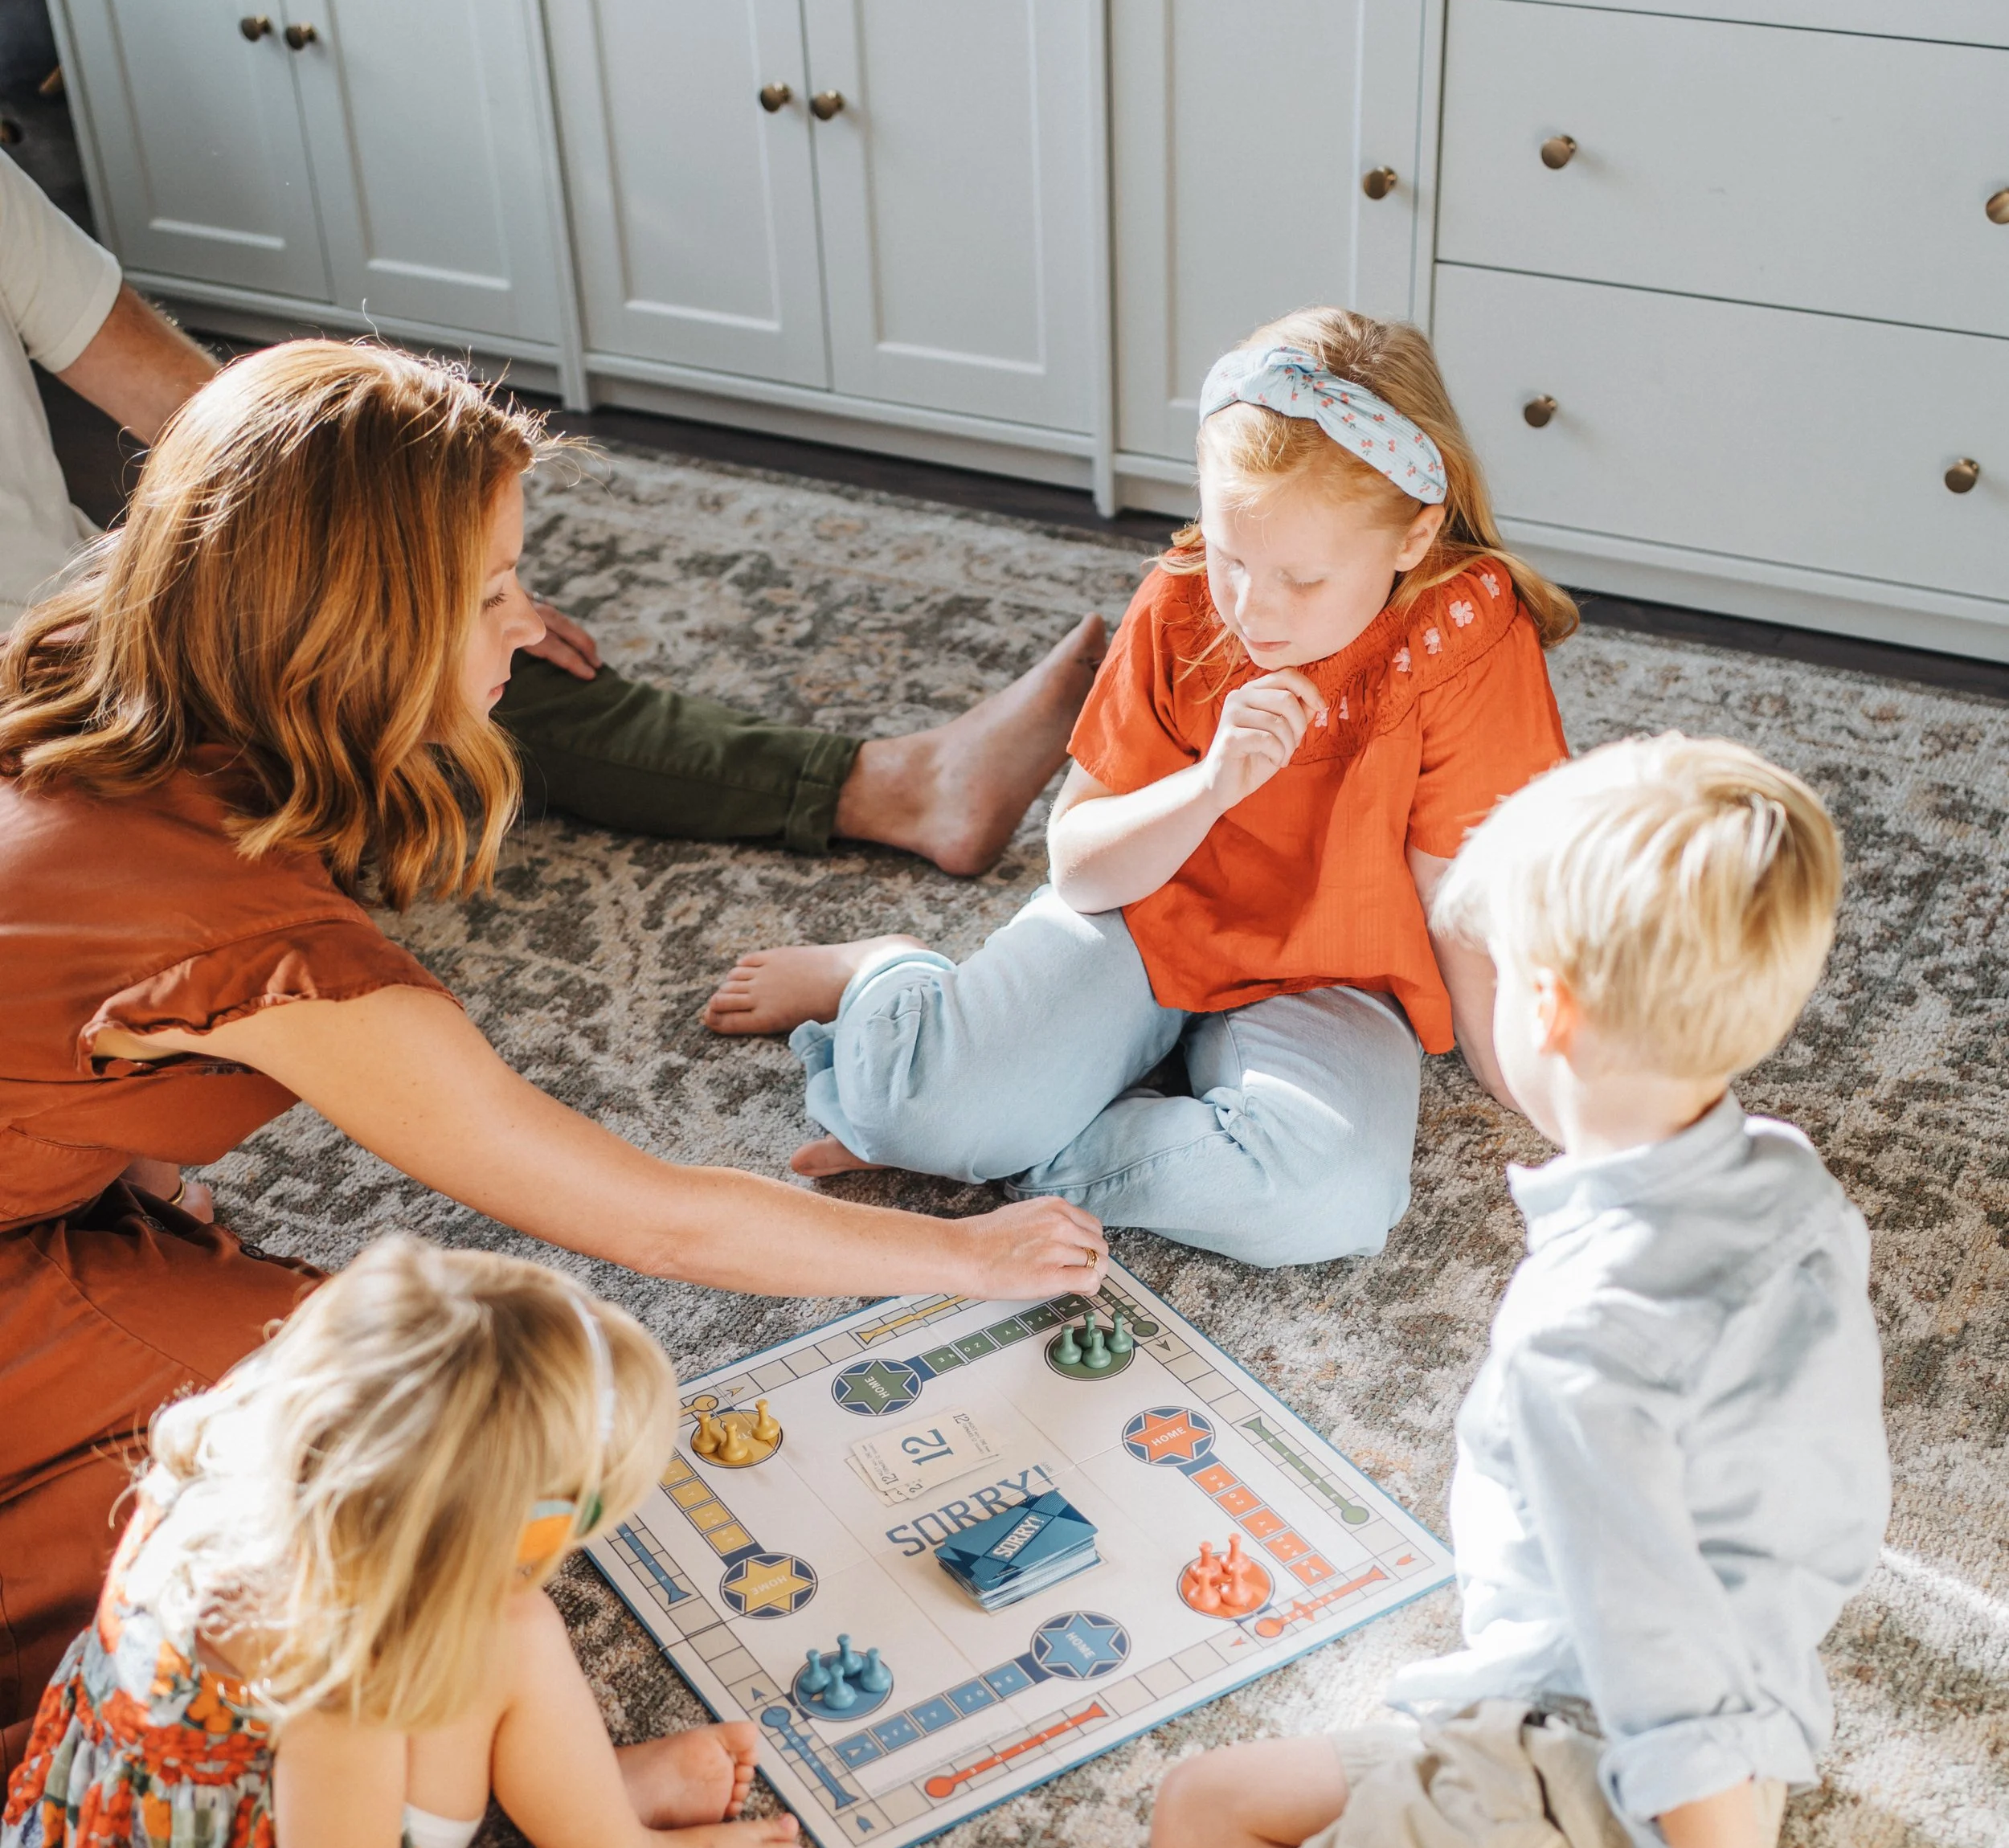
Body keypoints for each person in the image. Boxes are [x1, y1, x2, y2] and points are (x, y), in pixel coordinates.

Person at [0, 337, 1108, 1761]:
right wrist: (973, 1256)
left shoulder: (101, 664)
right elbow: (645, 1217)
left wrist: (112, 1166)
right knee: (469, 1436)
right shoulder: (254, 945)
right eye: (491, 594)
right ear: (353, 638)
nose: (529, 627)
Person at [1148, 737, 1914, 1848]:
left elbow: (1661, 1662)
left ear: (1546, 1010)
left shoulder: (1585, 1343)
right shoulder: (1778, 1185)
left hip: (1577, 1795)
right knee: (1201, 1818)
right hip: (1648, 1772)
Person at [704, 307, 1575, 1268]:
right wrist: (1208, 788)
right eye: (1233, 556)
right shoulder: (1184, 595)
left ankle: (1000, 1138)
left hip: (1338, 968)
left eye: (1301, 579)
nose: (1253, 609)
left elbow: (1458, 893)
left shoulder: (1466, 630)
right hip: (1143, 911)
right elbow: (1080, 870)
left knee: (1332, 1201)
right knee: (913, 1111)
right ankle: (889, 974)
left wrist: (1515, 1072)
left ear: (1413, 536)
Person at [0, 145, 1103, 871]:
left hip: (85, 622)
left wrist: (447, 573)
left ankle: (906, 787)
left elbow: (210, 421)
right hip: (41, 715)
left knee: (460, 639)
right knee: (405, 663)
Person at [0, 1239, 802, 1848]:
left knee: (496, 1629)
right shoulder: (345, 1658)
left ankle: (576, 1795)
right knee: (517, 1631)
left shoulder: (229, 1456)